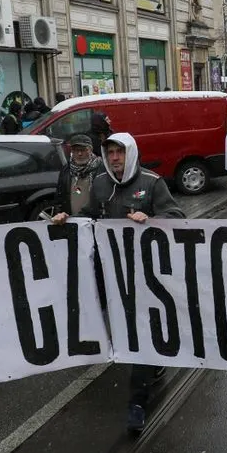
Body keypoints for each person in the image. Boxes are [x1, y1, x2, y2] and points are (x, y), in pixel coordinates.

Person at [52, 132, 185, 434]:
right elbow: (87, 217)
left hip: (148, 275)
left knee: (140, 334)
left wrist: (150, 218)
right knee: (129, 331)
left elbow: (177, 215)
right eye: (110, 152)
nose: (114, 158)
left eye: (120, 153)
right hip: (115, 274)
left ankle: (137, 403)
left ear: (132, 154)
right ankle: (151, 363)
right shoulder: (100, 185)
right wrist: (66, 218)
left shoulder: (152, 183)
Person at [55, 134, 103, 217]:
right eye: (75, 150)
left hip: (95, 222)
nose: (79, 153)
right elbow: (60, 198)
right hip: (72, 222)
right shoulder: (66, 170)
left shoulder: (101, 168)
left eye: (83, 150)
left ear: (90, 150)